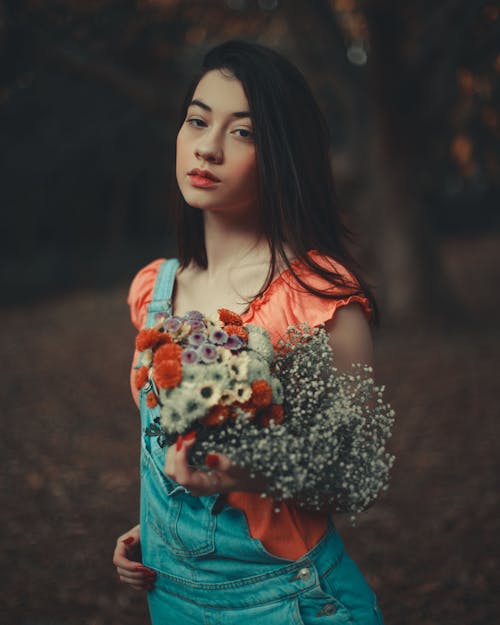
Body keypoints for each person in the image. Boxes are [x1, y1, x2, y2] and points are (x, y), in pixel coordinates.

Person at [113, 40, 385, 624]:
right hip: (171, 598)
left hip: (288, 601)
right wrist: (157, 527)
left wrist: (245, 472)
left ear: (282, 154)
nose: (207, 148)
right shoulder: (155, 291)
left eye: (243, 132)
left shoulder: (317, 297)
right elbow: (163, 449)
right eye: (197, 120)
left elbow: (353, 470)